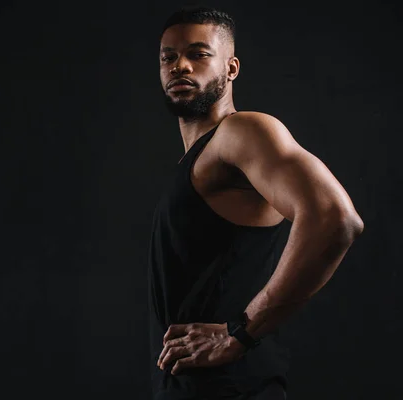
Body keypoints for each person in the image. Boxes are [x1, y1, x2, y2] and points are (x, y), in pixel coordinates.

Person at [147, 5, 364, 400]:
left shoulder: (241, 131)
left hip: (232, 387)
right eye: (168, 57)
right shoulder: (198, 158)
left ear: (231, 69)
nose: (180, 66)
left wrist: (241, 331)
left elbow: (335, 218)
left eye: (198, 54)